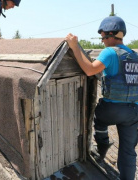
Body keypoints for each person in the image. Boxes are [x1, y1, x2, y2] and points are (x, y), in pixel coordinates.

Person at [65, 16, 138, 180]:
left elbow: (90, 70)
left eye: (103, 36)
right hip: (134, 111)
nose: (102, 41)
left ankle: (102, 146)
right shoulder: (134, 55)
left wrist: (75, 46)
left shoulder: (110, 52)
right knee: (128, 151)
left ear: (109, 35)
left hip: (112, 109)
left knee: (98, 115)